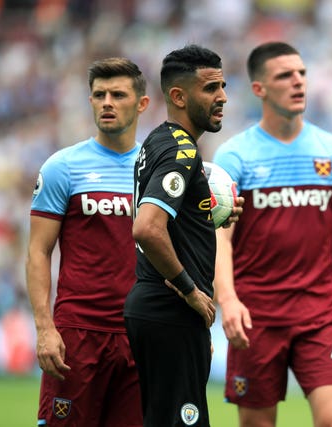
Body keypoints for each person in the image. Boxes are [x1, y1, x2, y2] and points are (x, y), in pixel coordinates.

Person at [212, 41, 332, 427]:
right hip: (257, 318)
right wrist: (229, 300)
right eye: (285, 75)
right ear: (259, 89)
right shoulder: (235, 156)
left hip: (320, 315)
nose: (298, 82)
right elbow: (221, 238)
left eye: (301, 73)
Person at [26, 57, 149, 427]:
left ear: (142, 103)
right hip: (77, 334)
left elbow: (181, 249)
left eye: (118, 94)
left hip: (140, 334)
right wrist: (45, 328)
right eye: (99, 95)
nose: (107, 102)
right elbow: (38, 252)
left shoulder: (159, 169)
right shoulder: (62, 167)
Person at [123, 44, 241, 427]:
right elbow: (147, 227)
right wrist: (191, 292)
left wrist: (210, 212)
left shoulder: (158, 140)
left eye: (222, 86)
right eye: (210, 89)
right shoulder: (182, 151)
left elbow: (169, 219)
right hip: (169, 309)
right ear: (178, 96)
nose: (222, 96)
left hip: (157, 310)